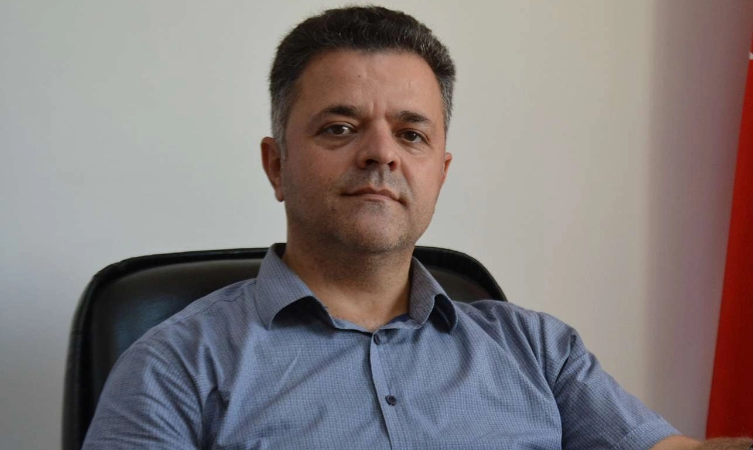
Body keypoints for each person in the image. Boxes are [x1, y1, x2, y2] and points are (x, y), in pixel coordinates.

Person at [82, 6, 752, 450]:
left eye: (411, 133)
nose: (382, 153)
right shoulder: (171, 368)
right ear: (276, 164)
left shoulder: (541, 351)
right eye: (340, 127)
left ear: (441, 170)